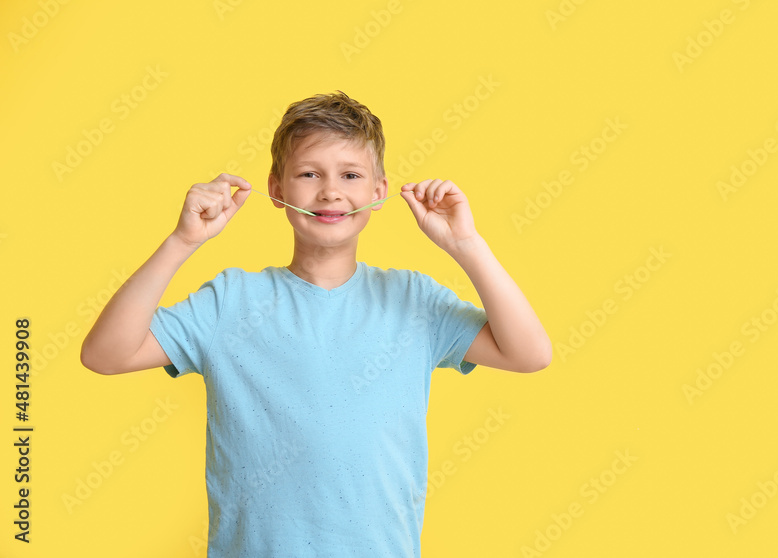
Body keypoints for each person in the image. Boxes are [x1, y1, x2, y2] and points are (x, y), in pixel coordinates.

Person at [80, 91, 551, 557]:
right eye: (309, 174)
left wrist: (465, 243)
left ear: (378, 192)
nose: (330, 191)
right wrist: (182, 242)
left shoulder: (414, 300)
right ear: (278, 191)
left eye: (350, 175)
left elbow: (528, 353)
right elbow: (106, 354)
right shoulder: (229, 302)